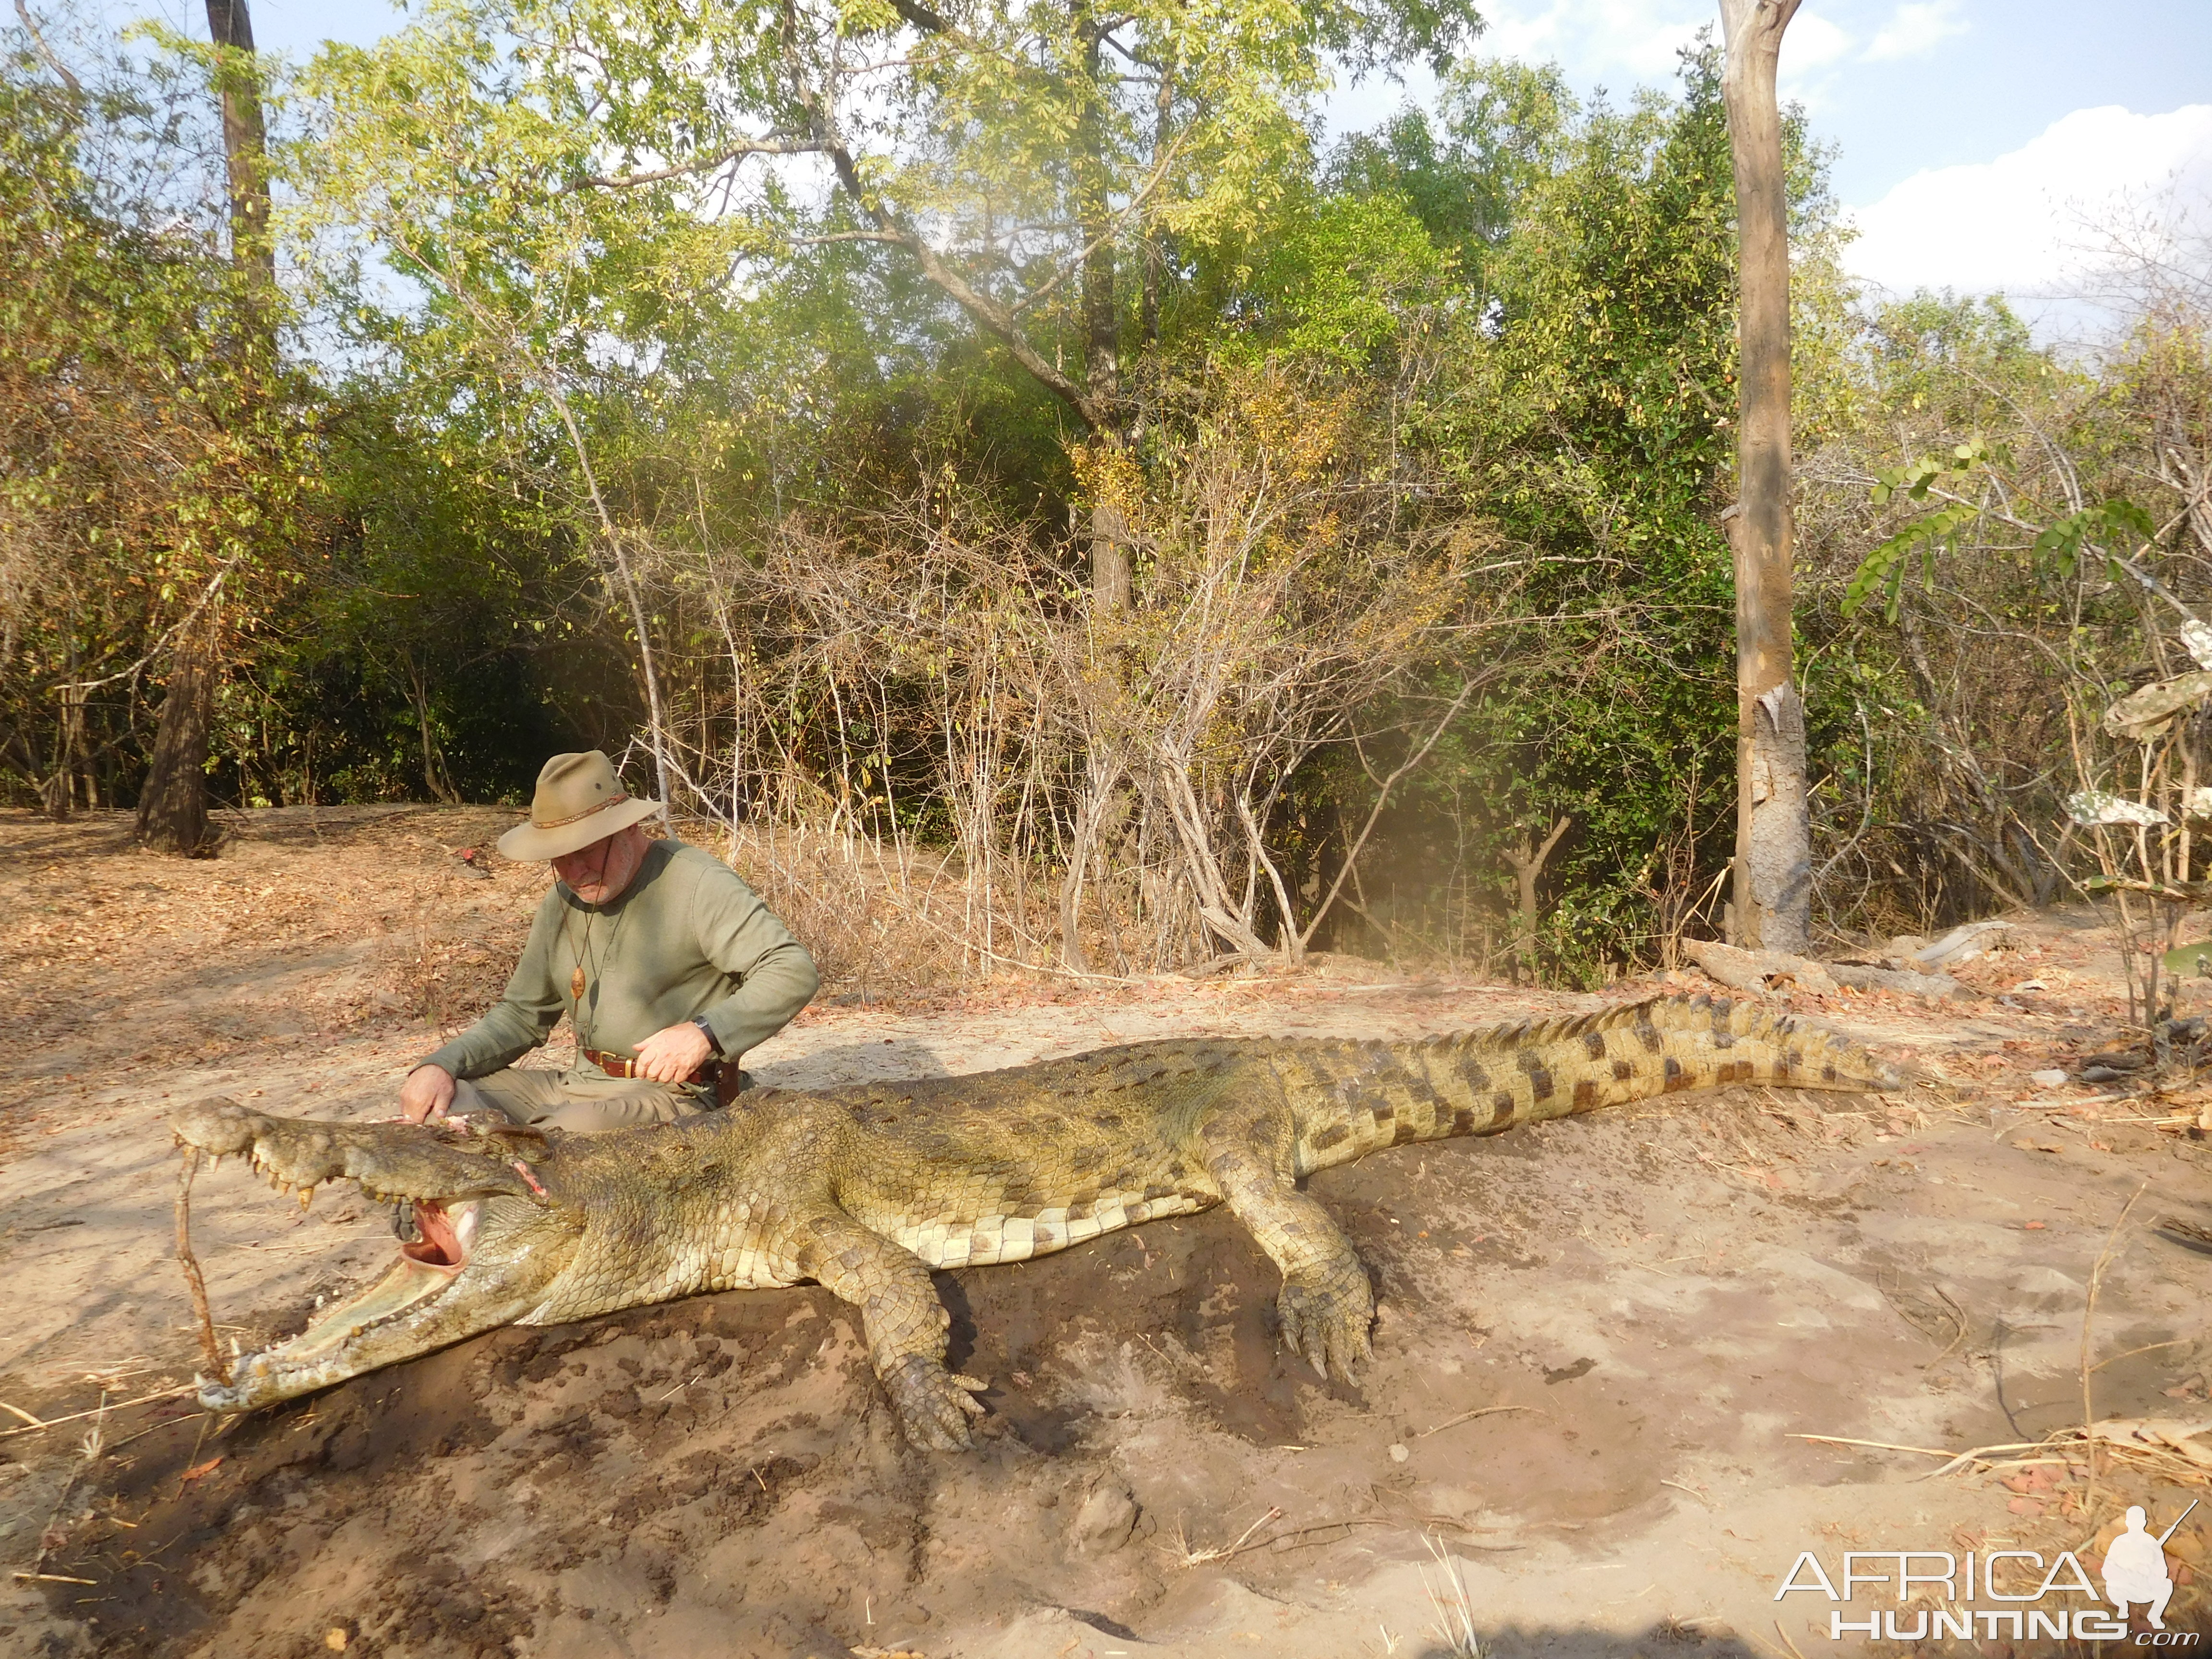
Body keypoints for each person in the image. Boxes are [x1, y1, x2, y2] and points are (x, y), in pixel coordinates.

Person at [399, 750, 819, 1135]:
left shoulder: (698, 884)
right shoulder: (561, 901)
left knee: (567, 1134)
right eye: (559, 856)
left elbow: (791, 968)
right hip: (577, 1085)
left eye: (587, 851)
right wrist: (440, 1064)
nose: (575, 869)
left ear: (629, 827)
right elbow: (522, 1015)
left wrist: (704, 1034)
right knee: (446, 1103)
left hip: (675, 1094)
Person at [2102, 1505, 2174, 1630]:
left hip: (2146, 1587)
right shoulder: (2120, 1541)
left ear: (2144, 1523)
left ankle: (2155, 1615)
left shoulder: (2151, 1542)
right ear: (2127, 1523)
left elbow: (2162, 1569)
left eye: (2139, 1522)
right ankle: (2123, 1608)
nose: (2136, 1525)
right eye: (2133, 1521)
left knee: (2167, 1585)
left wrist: (2150, 1572)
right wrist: (2126, 1570)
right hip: (2124, 1587)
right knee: (2112, 1585)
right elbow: (2107, 1568)